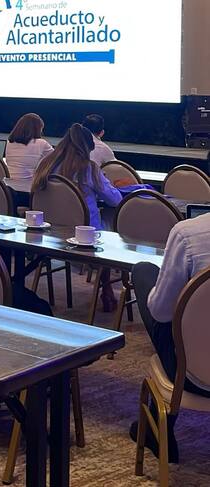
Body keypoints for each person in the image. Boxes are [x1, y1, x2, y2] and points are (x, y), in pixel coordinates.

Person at [130, 216, 210, 464]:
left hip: (193, 377)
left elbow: (161, 313)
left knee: (144, 272)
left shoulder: (188, 233)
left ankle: (157, 427)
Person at [32, 123, 122, 309]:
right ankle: (106, 288)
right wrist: (104, 182)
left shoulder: (45, 166)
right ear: (86, 148)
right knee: (109, 228)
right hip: (85, 236)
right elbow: (115, 200)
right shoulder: (88, 168)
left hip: (50, 233)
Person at [6, 113, 53, 181]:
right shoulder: (41, 143)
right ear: (37, 129)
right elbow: (57, 158)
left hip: (8, 183)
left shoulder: (9, 142)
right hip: (28, 184)